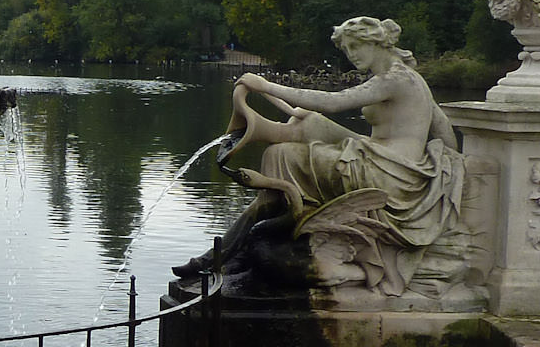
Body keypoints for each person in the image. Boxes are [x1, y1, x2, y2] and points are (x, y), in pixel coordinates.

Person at [191, 17, 465, 294]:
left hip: (387, 176)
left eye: (356, 46)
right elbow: (444, 132)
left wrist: (265, 86)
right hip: (386, 164)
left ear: (376, 42)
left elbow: (335, 101)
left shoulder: (395, 79)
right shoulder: (410, 79)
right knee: (301, 132)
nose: (352, 54)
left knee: (281, 156)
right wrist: (441, 163)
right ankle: (235, 251)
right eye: (347, 49)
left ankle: (228, 252)